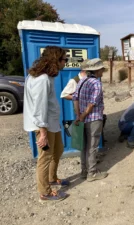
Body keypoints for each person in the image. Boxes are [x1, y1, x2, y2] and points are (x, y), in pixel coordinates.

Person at [23, 46, 69, 202]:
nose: (66, 62)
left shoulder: (46, 77)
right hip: (45, 126)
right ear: (56, 60)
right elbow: (39, 107)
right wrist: (42, 133)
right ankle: (45, 193)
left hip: (52, 123)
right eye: (65, 59)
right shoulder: (41, 80)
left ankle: (51, 178)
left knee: (59, 150)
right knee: (45, 157)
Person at [72, 58, 108, 181]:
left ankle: (84, 171)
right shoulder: (96, 84)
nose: (103, 71)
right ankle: (92, 173)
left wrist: (78, 116)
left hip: (83, 119)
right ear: (97, 70)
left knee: (83, 146)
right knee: (92, 146)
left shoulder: (82, 81)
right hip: (94, 119)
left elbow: (75, 99)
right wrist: (82, 116)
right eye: (102, 69)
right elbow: (92, 104)